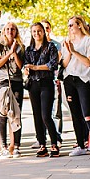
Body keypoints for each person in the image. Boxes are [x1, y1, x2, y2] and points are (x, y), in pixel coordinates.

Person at [62, 16, 90, 158]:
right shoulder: (68, 41)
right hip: (69, 79)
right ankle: (80, 145)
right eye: (68, 25)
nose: (69, 28)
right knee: (75, 114)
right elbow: (64, 64)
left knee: (87, 113)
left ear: (79, 25)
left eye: (72, 25)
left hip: (83, 79)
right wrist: (68, 51)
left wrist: (74, 51)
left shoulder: (89, 41)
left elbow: (88, 63)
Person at [25, 22, 61, 158]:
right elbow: (25, 64)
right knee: (37, 116)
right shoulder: (29, 49)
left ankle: (54, 143)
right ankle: (42, 145)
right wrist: (27, 69)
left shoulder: (50, 46)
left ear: (44, 32)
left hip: (46, 83)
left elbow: (52, 65)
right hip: (33, 84)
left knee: (46, 115)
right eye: (34, 31)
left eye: (39, 31)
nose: (37, 34)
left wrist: (34, 67)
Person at [0, 22, 25, 158]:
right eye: (7, 29)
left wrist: (15, 53)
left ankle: (16, 145)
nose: (10, 31)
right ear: (4, 31)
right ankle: (3, 146)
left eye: (13, 29)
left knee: (16, 113)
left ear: (16, 31)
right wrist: (8, 54)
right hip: (3, 81)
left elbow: (20, 66)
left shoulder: (21, 47)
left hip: (16, 81)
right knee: (3, 113)